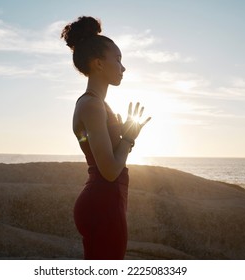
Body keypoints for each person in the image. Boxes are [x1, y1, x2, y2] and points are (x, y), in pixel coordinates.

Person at [61, 16, 151, 260]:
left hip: (105, 200)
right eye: (119, 60)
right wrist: (128, 139)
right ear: (99, 64)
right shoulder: (92, 105)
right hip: (103, 202)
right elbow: (109, 170)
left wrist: (122, 137)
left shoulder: (97, 104)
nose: (123, 67)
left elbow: (107, 158)